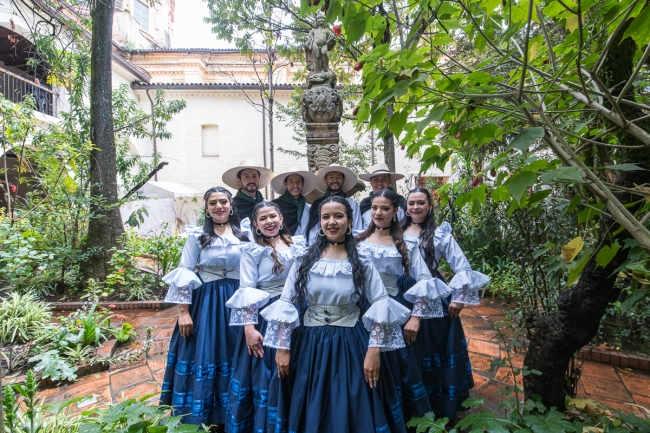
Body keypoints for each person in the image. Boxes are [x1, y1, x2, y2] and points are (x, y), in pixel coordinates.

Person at [261, 196, 411, 433]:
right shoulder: (304, 258)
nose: (332, 222)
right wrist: (282, 348)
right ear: (319, 222)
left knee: (351, 399)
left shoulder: (361, 258)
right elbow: (286, 300)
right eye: (326, 217)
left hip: (350, 343)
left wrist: (374, 351)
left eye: (338, 216)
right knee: (308, 399)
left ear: (349, 221)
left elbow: (381, 301)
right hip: (309, 344)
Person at [355, 189, 453, 424]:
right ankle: (369, 414)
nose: (379, 213)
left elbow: (425, 280)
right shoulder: (357, 241)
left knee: (399, 363)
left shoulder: (405, 243)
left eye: (385, 208)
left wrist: (416, 317)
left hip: (394, 308)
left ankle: (398, 417)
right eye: (375, 208)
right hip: (361, 309)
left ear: (396, 211)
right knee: (363, 360)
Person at [160, 186, 250, 430]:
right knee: (207, 349)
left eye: (223, 202)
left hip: (236, 297)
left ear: (231, 205)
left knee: (236, 350)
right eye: (213, 203)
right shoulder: (197, 235)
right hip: (207, 301)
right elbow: (185, 271)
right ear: (207, 208)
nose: (219, 207)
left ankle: (234, 412)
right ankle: (205, 414)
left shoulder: (245, 234)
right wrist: (183, 312)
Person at [401, 187, 490, 421]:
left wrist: (459, 296)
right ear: (405, 206)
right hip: (401, 293)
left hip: (432, 292)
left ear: (430, 206)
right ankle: (406, 404)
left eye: (421, 203)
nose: (415, 207)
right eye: (411, 203)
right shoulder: (396, 231)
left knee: (431, 348)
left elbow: (461, 266)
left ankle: (436, 406)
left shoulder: (440, 234)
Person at [225, 201, 306, 433]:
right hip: (266, 314)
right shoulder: (252, 250)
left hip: (297, 310)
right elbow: (247, 287)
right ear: (256, 224)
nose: (269, 221)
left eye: (273, 216)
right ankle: (269, 424)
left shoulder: (297, 245)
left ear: (281, 218)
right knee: (268, 370)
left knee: (296, 364)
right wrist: (249, 328)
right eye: (263, 219)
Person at [306, 164, 363, 243]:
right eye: (331, 177)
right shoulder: (318, 204)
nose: (335, 180)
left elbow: (358, 228)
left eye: (338, 177)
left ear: (343, 179)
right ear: (326, 180)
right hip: (322, 248)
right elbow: (313, 232)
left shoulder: (352, 203)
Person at [270, 167, 318, 236]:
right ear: (285, 184)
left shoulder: (307, 208)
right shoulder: (274, 206)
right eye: (291, 182)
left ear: (303, 184)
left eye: (298, 182)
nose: (295, 185)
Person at [358, 163, 407, 229]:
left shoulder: (400, 202)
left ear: (389, 180)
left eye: (384, 179)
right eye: (376, 179)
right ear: (371, 182)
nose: (379, 183)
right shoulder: (365, 204)